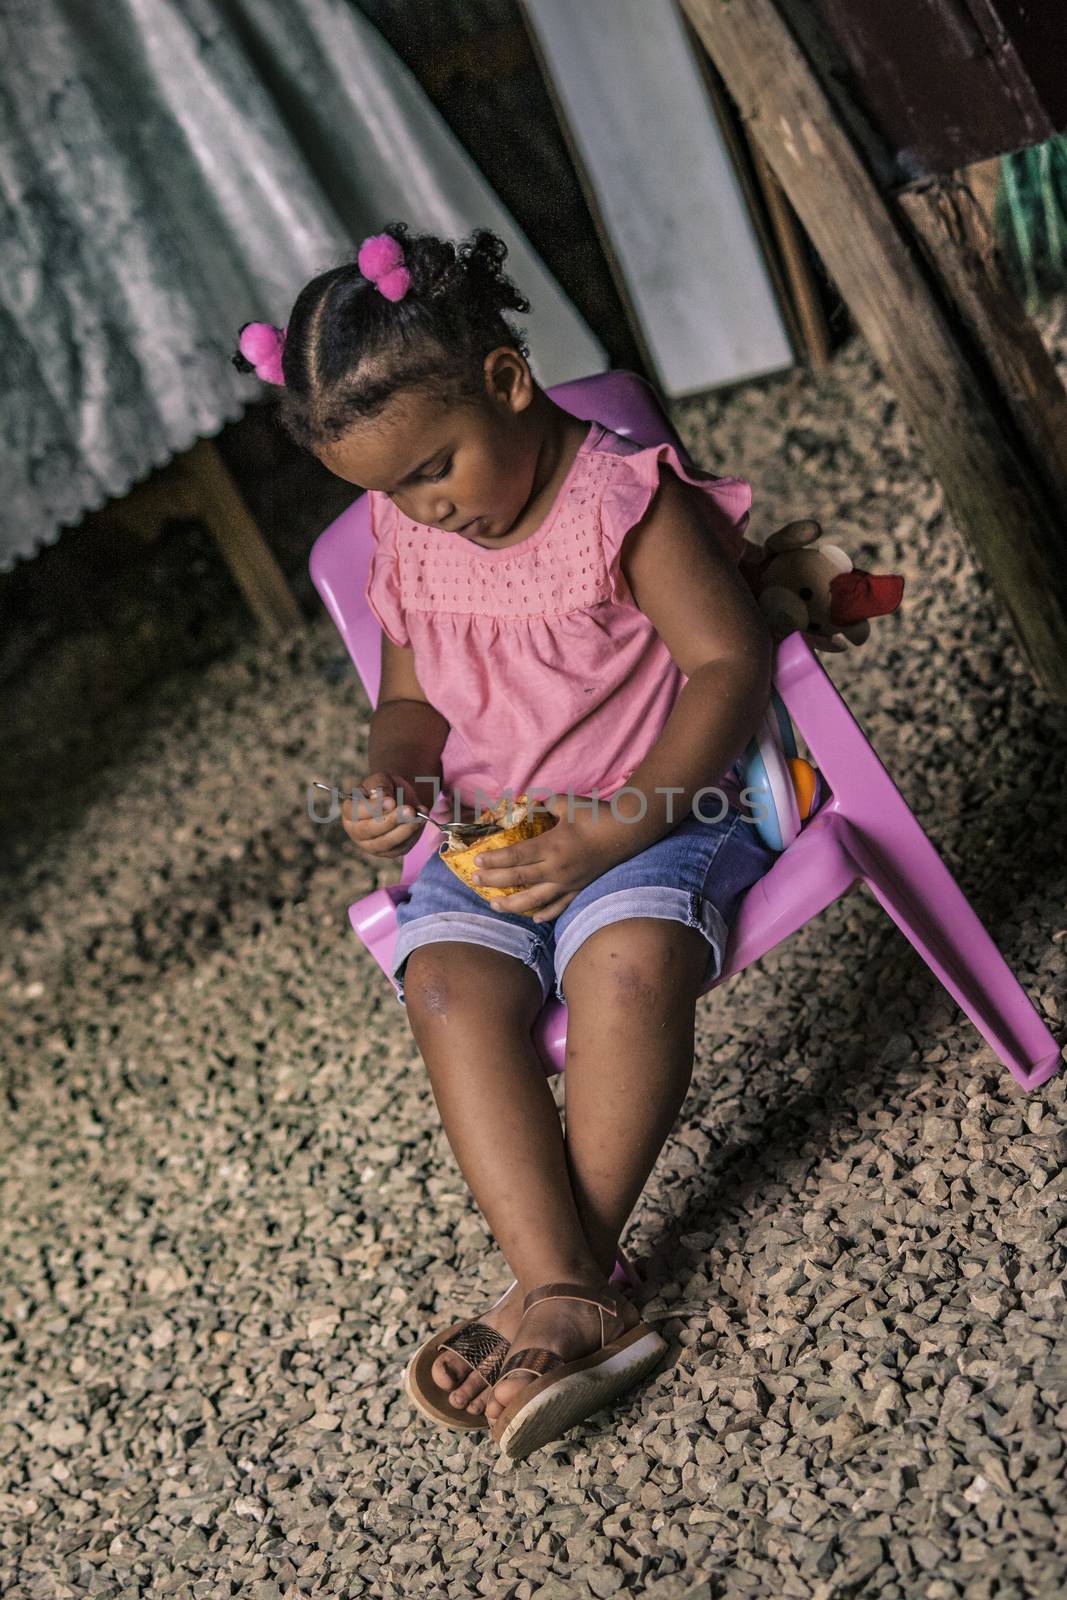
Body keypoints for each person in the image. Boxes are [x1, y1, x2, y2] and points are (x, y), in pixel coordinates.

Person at [234, 222, 778, 1460]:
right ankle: (564, 1287)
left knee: (626, 966)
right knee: (442, 983)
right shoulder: (408, 537)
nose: (422, 509)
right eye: (385, 491)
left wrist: (624, 822)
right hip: (491, 840)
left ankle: (552, 1291)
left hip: (657, 816)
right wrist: (392, 775)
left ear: (505, 382)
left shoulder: (618, 501)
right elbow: (411, 702)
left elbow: (725, 660)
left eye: (434, 469)